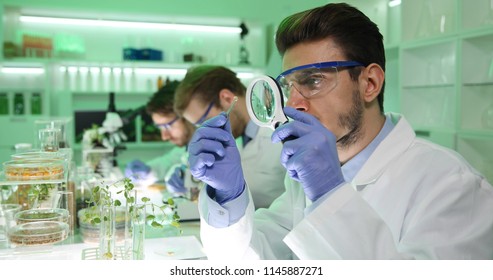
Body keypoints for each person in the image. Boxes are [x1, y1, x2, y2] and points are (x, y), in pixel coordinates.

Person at [187, 2, 493, 260]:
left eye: (313, 80)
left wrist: (329, 194)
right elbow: (247, 262)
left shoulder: (452, 187)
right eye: (287, 87)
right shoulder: (301, 182)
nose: (293, 103)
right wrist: (228, 198)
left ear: (370, 84)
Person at [173, 65, 286, 209]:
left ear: (227, 98)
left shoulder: (281, 134)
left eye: (204, 120)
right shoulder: (235, 138)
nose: (205, 129)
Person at [124, 80, 195, 186]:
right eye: (160, 128)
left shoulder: (215, 144)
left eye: (168, 126)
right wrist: (148, 171)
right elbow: (169, 162)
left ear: (187, 115)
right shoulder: (187, 146)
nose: (164, 136)